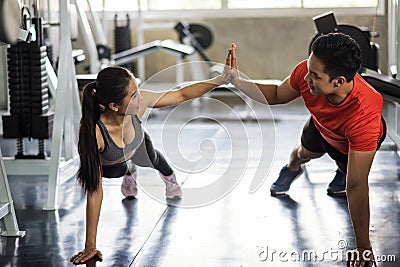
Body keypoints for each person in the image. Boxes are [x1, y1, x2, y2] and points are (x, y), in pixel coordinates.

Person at [228, 33, 385, 267]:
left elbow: (357, 186)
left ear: (339, 81)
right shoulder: (308, 71)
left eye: (315, 76)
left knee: (351, 177)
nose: (306, 77)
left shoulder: (364, 114)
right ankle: (292, 168)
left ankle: (343, 170)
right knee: (302, 154)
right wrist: (238, 81)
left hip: (349, 144)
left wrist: (363, 247)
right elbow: (276, 95)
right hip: (320, 126)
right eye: (309, 68)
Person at [70, 51, 232, 264]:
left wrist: (218, 80)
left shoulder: (139, 103)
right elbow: (94, 190)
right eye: (133, 95)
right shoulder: (96, 133)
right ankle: (130, 171)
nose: (141, 98)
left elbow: (181, 95)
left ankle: (170, 179)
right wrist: (90, 245)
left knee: (153, 159)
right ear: (114, 106)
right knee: (119, 170)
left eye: (138, 91)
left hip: (137, 145)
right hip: (113, 163)